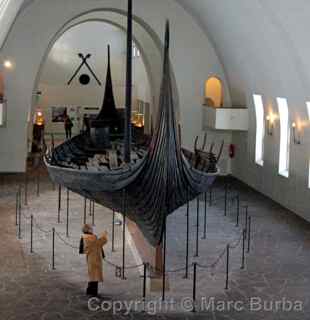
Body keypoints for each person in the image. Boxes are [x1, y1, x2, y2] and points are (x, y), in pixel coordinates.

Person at [79, 224, 108, 297]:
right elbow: (99, 243)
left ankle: (90, 291)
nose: (92, 229)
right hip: (94, 258)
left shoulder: (86, 237)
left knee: (92, 275)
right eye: (91, 228)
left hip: (91, 258)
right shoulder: (90, 237)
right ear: (88, 230)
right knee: (95, 276)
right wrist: (104, 236)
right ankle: (93, 293)